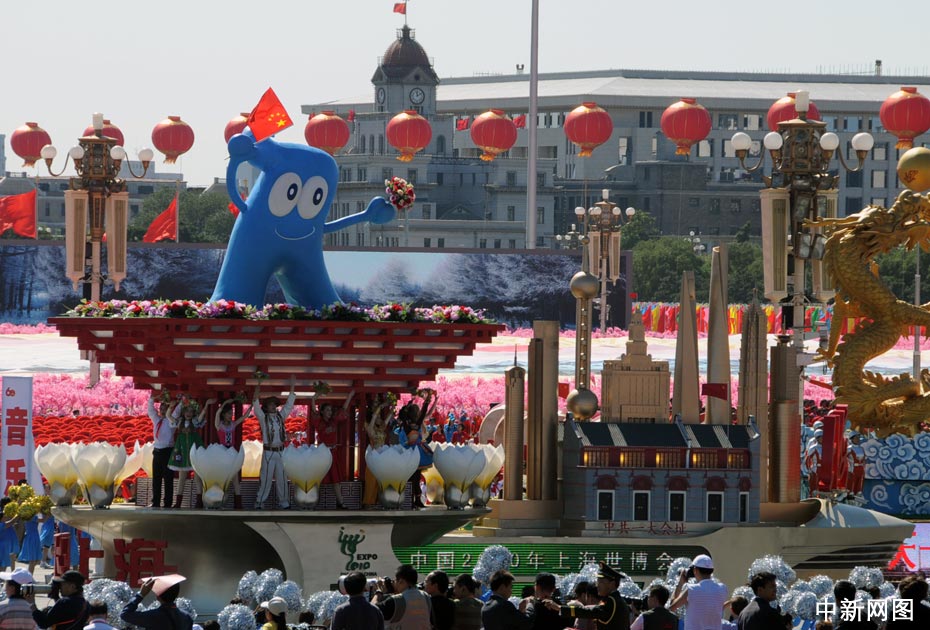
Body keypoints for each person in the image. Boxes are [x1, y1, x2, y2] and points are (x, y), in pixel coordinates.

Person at [252, 377, 296, 510]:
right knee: (266, 478)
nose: (273, 406)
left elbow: (289, 405)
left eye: (274, 404)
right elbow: (255, 402)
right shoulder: (263, 417)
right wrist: (258, 384)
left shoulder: (280, 417)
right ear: (266, 407)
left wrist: (292, 386)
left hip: (281, 451)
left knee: (282, 478)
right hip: (269, 452)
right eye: (270, 404)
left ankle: (284, 502)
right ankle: (260, 502)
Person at [309, 391, 354, 509]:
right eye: (327, 410)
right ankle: (312, 501)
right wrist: (314, 398)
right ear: (322, 411)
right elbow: (313, 410)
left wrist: (349, 396)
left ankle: (340, 502)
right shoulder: (319, 421)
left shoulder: (334, 421)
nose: (330, 412)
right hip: (322, 453)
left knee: (336, 479)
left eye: (330, 410)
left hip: (332, 453)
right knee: (318, 478)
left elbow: (343, 409)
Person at [552, 562, 630, 630]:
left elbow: (590, 612)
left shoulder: (612, 601)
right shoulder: (615, 600)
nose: (597, 586)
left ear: (612, 584)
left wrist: (560, 608)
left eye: (601, 582)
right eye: (597, 582)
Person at [169, 398, 212, 509]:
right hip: (182, 450)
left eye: (191, 411)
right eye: (187, 411)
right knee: (181, 478)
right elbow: (169, 417)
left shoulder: (194, 422)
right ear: (183, 412)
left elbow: (201, 416)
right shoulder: (179, 422)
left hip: (194, 450)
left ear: (193, 413)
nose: (188, 413)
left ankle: (199, 502)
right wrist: (171, 406)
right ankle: (178, 503)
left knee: (197, 478)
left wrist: (206, 405)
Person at [670, 554, 727, 630]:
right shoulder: (722, 588)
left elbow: (672, 607)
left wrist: (680, 583)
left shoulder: (691, 589)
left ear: (695, 570)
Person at [214, 398, 252, 509]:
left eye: (232, 413)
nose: (231, 416)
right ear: (224, 414)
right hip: (222, 452)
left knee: (235, 479)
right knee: (223, 479)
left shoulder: (233, 424)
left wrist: (251, 405)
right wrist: (225, 403)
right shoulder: (219, 425)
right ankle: (220, 502)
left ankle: (238, 504)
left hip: (231, 452)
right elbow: (217, 413)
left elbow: (244, 417)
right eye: (229, 413)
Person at [120, 574, 193, 630]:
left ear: (158, 597)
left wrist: (141, 594)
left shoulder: (153, 616)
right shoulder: (187, 617)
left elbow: (125, 614)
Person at [374, 564, 433, 630]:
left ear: (401, 581)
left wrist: (378, 592)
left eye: (395, 580)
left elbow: (370, 611)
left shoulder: (396, 601)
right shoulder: (426, 597)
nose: (394, 583)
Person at [147, 394, 179, 509]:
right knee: (156, 478)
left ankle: (168, 502)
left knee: (168, 478)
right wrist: (152, 398)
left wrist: (178, 403)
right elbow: (151, 411)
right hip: (157, 451)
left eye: (165, 408)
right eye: (161, 408)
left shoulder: (171, 420)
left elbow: (177, 412)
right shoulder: (157, 420)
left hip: (167, 451)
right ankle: (155, 501)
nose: (162, 411)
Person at [363, 394, 393, 506]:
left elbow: (390, 415)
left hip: (382, 458)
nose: (380, 418)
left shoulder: (381, 428)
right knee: (371, 482)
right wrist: (380, 407)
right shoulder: (370, 428)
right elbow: (373, 419)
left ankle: (380, 502)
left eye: (380, 417)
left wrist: (392, 405)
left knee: (381, 481)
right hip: (374, 457)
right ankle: (368, 503)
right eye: (378, 417)